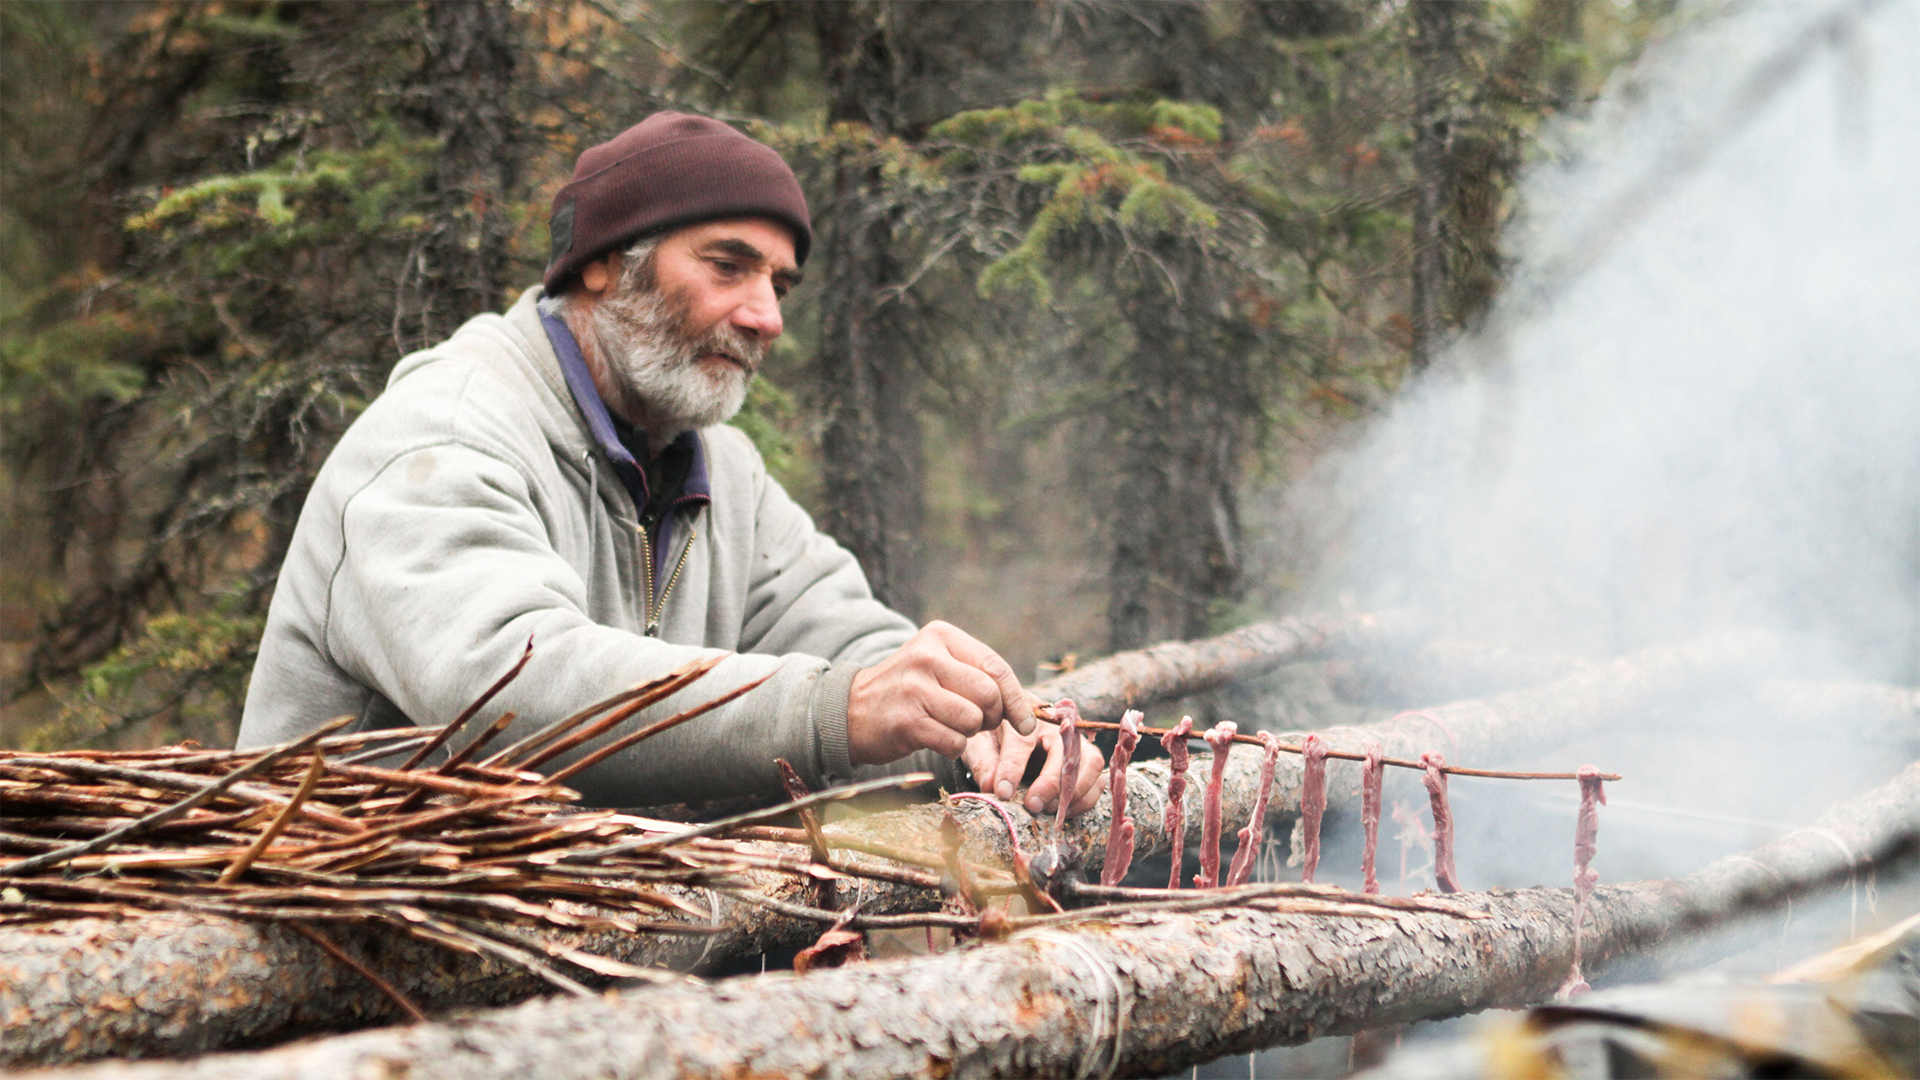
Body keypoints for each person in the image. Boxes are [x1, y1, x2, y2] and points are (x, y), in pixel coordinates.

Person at [238, 112, 1103, 816]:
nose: (766, 315)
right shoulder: (442, 434)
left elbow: (839, 636)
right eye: (729, 266)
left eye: (780, 285)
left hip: (580, 990)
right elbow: (510, 690)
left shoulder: (718, 467)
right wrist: (834, 710)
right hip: (356, 991)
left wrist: (979, 732)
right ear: (605, 265)